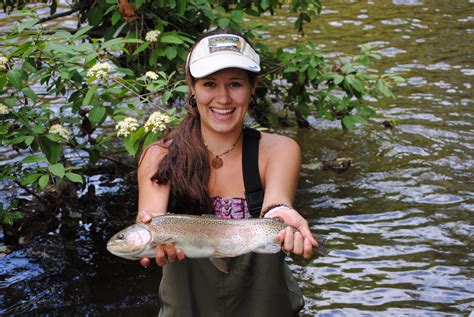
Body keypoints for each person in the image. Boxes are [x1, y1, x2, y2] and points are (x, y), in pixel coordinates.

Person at [136, 28, 318, 316]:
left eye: (235, 84)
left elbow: (276, 204)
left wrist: (282, 215)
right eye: (210, 84)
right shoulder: (160, 157)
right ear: (192, 87)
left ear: (252, 86)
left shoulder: (279, 150)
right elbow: (150, 223)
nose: (223, 98)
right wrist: (152, 234)